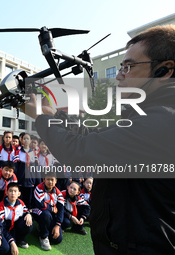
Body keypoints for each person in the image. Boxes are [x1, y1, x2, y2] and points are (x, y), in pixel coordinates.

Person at [22, 25, 175, 254]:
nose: (120, 74)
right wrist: (55, 116)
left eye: (129, 66)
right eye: (121, 66)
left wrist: (41, 118)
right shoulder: (146, 115)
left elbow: (79, 153)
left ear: (164, 70)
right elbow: (92, 135)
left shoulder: (163, 120)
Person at [0, 182, 33, 254]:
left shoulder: (20, 202)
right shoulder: (1, 206)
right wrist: (12, 242)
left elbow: (26, 211)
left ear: (19, 194)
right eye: (10, 191)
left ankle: (20, 239)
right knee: (8, 250)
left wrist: (29, 214)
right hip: (6, 229)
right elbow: (2, 227)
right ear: (7, 193)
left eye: (15, 191)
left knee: (29, 222)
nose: (13, 193)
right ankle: (12, 240)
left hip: (16, 226)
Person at [32, 173, 64, 251]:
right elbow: (41, 204)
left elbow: (61, 209)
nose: (50, 182)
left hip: (50, 214)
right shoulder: (39, 188)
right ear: (44, 180)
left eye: (52, 180)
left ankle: (43, 227)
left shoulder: (58, 192)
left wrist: (57, 225)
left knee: (57, 239)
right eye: (48, 179)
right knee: (45, 214)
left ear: (56, 181)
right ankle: (43, 236)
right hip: (38, 211)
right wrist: (52, 209)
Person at [13, 133, 38, 209]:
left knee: (29, 198)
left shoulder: (34, 153)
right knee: (20, 197)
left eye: (28, 139)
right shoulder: (18, 152)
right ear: (22, 140)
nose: (26, 140)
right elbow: (16, 168)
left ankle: (29, 211)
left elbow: (36, 169)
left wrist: (37, 181)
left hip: (30, 180)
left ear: (30, 141)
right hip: (21, 180)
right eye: (24, 139)